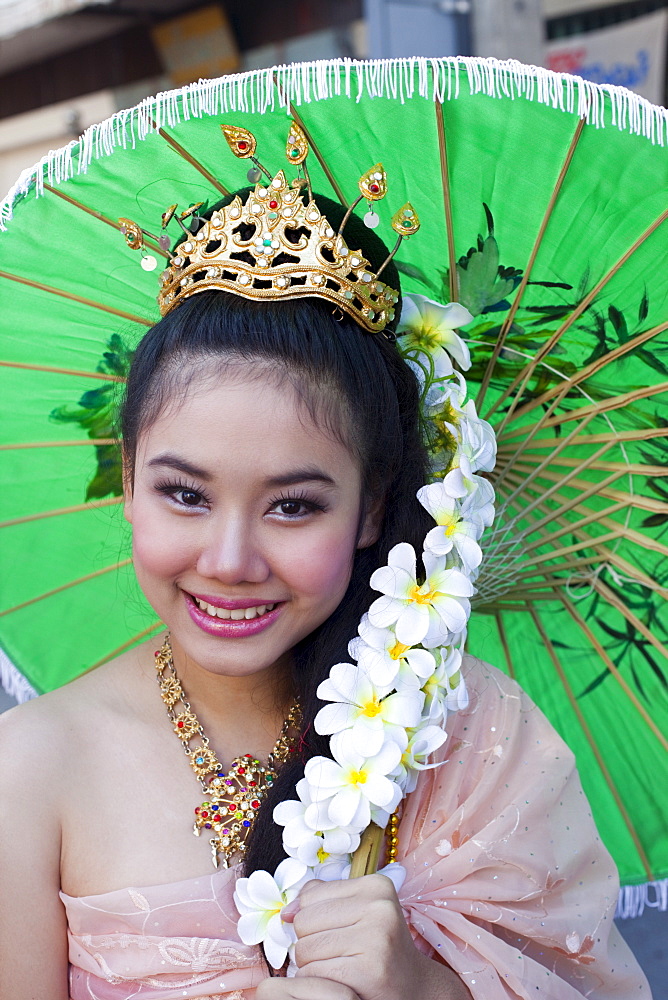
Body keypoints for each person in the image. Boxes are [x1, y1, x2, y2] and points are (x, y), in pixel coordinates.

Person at [0, 177, 650, 1000]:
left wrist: (422, 988)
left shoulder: (465, 738)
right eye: (186, 495)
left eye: (294, 506)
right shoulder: (29, 770)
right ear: (128, 480)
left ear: (373, 508)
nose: (230, 559)